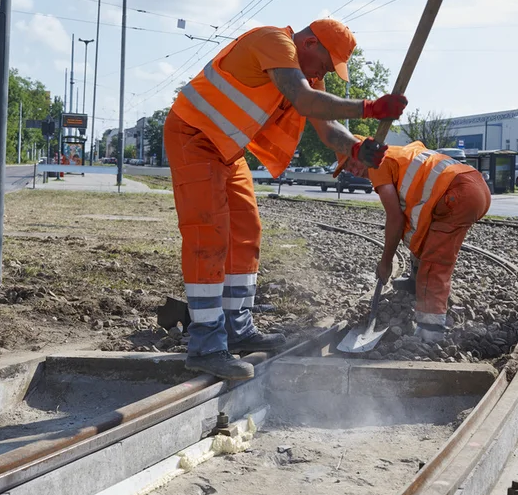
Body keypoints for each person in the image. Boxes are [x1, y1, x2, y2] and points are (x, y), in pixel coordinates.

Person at [166, 19, 407, 381]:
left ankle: (236, 327)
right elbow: (305, 100)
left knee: (247, 231)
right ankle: (205, 344)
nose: (321, 73)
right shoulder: (274, 42)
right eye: (324, 65)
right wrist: (370, 108)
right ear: (309, 44)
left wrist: (355, 147)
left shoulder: (306, 69)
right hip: (193, 135)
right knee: (208, 235)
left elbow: (327, 127)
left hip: (226, 150)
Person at [367, 141, 491, 342]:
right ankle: (416, 283)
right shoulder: (400, 152)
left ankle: (430, 330)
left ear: (359, 155)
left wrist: (386, 261)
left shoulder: (377, 163)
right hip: (472, 184)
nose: (352, 171)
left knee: (435, 263)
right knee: (423, 234)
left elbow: (395, 219)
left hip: (456, 194)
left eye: (349, 165)